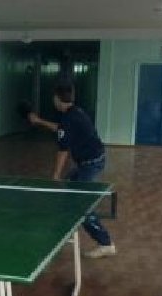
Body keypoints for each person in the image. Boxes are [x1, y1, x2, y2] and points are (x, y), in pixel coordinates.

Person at [28, 80, 116, 259]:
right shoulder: (75, 112)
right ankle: (64, 230)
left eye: (54, 97)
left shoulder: (69, 118)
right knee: (68, 192)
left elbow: (63, 151)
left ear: (57, 99)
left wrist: (56, 175)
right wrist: (39, 121)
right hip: (91, 160)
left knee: (82, 205)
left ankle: (106, 244)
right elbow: (61, 129)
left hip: (90, 164)